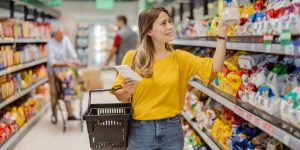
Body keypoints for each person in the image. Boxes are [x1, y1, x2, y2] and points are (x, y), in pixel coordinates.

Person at [111, 7, 229, 150]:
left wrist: (221, 36)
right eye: (163, 23)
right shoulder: (133, 58)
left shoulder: (179, 58)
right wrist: (127, 91)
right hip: (141, 130)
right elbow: (119, 94)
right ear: (149, 31)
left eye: (170, 22)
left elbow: (215, 66)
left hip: (171, 130)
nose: (170, 26)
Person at [48, 26, 79, 122]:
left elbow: (71, 51)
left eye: (62, 34)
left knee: (67, 90)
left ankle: (70, 114)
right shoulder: (50, 44)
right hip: (53, 72)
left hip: (64, 72)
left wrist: (75, 59)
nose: (61, 36)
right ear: (55, 34)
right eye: (59, 34)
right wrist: (66, 63)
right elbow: (52, 62)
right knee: (54, 93)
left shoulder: (65, 39)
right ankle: (54, 114)